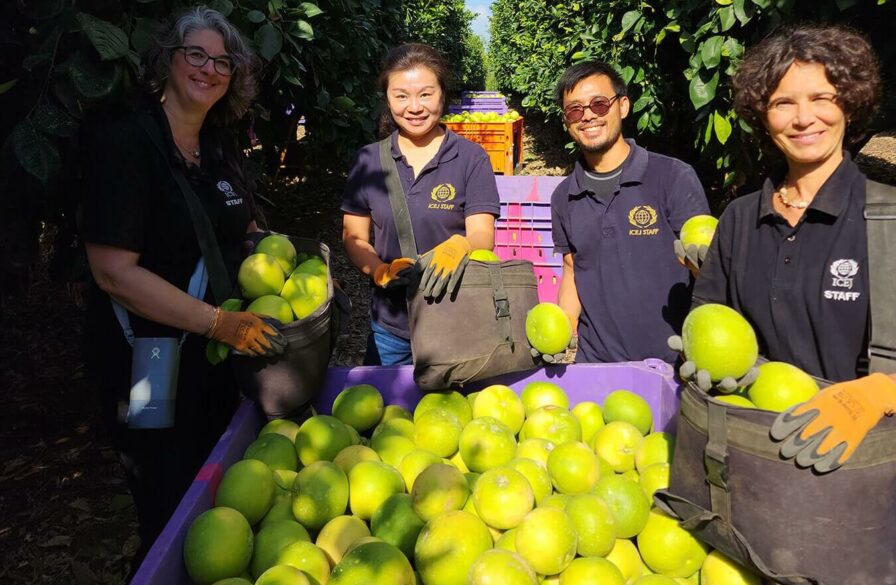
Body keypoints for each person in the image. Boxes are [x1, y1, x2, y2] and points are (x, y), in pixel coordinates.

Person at [79, 7, 285, 565]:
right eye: (196, 54)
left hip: (216, 353)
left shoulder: (218, 144)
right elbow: (113, 272)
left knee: (216, 483)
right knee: (166, 491)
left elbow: (239, 228)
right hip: (146, 355)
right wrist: (218, 321)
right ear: (168, 57)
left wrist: (289, 264)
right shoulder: (126, 143)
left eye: (223, 61)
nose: (209, 69)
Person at [692, 24, 896, 472]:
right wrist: (706, 358)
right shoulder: (741, 219)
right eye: (784, 103)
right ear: (763, 116)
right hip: (759, 459)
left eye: (821, 98)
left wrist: (884, 391)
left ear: (849, 103)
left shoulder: (888, 219)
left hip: (865, 470)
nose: (804, 119)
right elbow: (709, 313)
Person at [341, 43, 500, 365]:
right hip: (390, 324)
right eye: (401, 96)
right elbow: (354, 236)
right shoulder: (369, 160)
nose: (414, 107)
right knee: (386, 410)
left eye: (425, 94)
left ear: (443, 94)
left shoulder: (470, 158)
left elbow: (483, 234)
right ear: (387, 99)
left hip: (454, 317)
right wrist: (377, 269)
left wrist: (460, 245)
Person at [550, 61, 710, 365]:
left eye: (599, 104)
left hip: (672, 360)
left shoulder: (672, 177)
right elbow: (572, 270)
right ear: (566, 121)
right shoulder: (563, 196)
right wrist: (561, 331)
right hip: (597, 364)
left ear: (622, 106)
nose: (587, 116)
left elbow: (704, 265)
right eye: (574, 110)